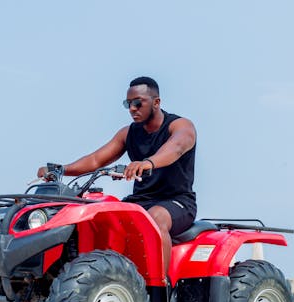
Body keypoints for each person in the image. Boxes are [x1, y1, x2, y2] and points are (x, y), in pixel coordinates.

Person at [37, 76, 197, 272]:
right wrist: (61, 169)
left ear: (156, 102)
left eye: (138, 103)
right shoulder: (128, 133)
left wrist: (147, 163)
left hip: (176, 202)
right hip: (139, 201)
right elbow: (96, 159)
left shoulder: (181, 126)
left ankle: (159, 289)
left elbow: (176, 148)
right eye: (128, 103)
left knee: (155, 218)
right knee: (103, 218)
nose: (132, 109)